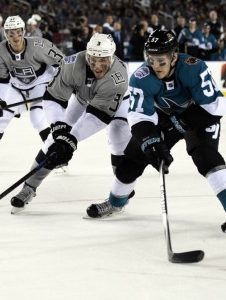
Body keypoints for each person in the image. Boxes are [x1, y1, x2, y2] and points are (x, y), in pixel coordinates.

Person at [86, 29, 226, 233]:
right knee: (133, 158)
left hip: (199, 116)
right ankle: (116, 202)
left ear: (174, 56)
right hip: (164, 117)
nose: (156, 66)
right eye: (151, 60)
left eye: (161, 61)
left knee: (206, 158)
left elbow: (215, 107)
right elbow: (139, 116)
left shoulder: (194, 68)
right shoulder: (141, 77)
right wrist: (150, 141)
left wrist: (180, 123)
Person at [10, 33, 131, 214]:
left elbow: (97, 116)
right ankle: (29, 186)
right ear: (87, 55)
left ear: (111, 57)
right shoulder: (72, 63)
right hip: (83, 98)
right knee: (53, 140)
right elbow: (53, 98)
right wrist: (59, 130)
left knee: (118, 138)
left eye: (103, 60)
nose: (97, 65)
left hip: (120, 104)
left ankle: (120, 197)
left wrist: (70, 139)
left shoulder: (117, 77)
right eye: (93, 59)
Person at [0, 15, 64, 171]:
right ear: (5, 34)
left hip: (40, 84)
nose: (15, 37)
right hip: (17, 86)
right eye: (11, 33)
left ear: (23, 31)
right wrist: (0, 99)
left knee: (38, 118)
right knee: (0, 117)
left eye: (18, 32)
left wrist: (58, 85)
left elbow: (64, 64)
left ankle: (57, 156)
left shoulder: (40, 45)